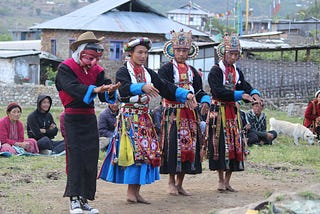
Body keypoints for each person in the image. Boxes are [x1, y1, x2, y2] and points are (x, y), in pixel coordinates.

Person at [98, 37, 196, 204]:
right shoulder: (123, 71)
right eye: (140, 52)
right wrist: (141, 87)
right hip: (129, 118)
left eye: (145, 53)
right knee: (134, 153)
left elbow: (166, 87)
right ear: (130, 53)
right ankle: (130, 192)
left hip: (144, 118)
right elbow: (122, 89)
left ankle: (136, 191)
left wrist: (185, 94)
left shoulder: (149, 73)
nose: (143, 56)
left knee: (146, 153)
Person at [55, 31, 120, 214]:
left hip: (89, 117)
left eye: (96, 59)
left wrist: (109, 89)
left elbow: (103, 90)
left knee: (90, 158)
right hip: (72, 118)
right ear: (81, 52)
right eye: (91, 58)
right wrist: (97, 88)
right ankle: (73, 199)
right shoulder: (65, 68)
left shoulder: (96, 70)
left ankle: (84, 200)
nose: (94, 63)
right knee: (75, 157)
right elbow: (71, 88)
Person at [206, 32, 262, 192]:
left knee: (234, 146)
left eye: (237, 54)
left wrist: (254, 93)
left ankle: (228, 180)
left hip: (232, 113)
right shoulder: (216, 71)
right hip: (219, 112)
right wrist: (239, 95)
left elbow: (244, 85)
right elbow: (217, 91)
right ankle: (220, 180)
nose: (234, 57)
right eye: (231, 53)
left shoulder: (237, 72)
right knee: (221, 145)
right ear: (224, 52)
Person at [158, 29, 210, 196]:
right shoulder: (165, 70)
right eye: (178, 50)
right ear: (172, 50)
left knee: (189, 149)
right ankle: (171, 182)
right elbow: (165, 88)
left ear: (189, 51)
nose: (181, 53)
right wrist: (183, 95)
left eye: (184, 50)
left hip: (190, 115)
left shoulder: (194, 72)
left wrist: (206, 101)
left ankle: (180, 183)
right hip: (173, 115)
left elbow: (200, 91)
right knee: (173, 147)